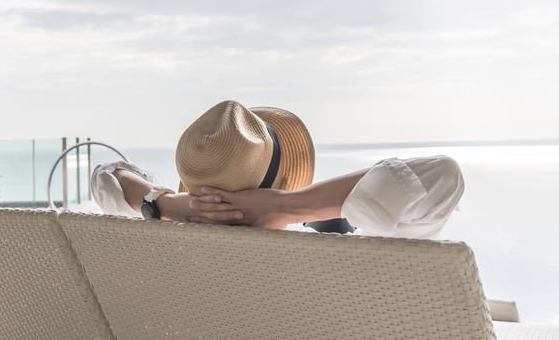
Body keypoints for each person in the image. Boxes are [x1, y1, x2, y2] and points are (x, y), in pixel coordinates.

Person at [90, 100, 464, 239]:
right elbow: (440, 175)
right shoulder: (333, 256)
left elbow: (107, 175)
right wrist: (286, 206)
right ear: (283, 182)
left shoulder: (168, 247)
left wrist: (171, 207)